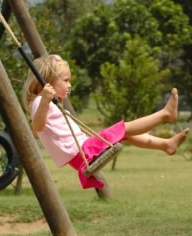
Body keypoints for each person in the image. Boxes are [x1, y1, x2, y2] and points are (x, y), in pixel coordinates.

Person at [22, 54, 190, 189]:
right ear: (48, 82)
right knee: (124, 127)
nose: (69, 85)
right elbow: (37, 127)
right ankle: (165, 114)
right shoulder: (40, 102)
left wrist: (47, 100)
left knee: (126, 134)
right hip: (84, 153)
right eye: (65, 80)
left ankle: (166, 145)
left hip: (84, 152)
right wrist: (44, 100)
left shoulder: (49, 103)